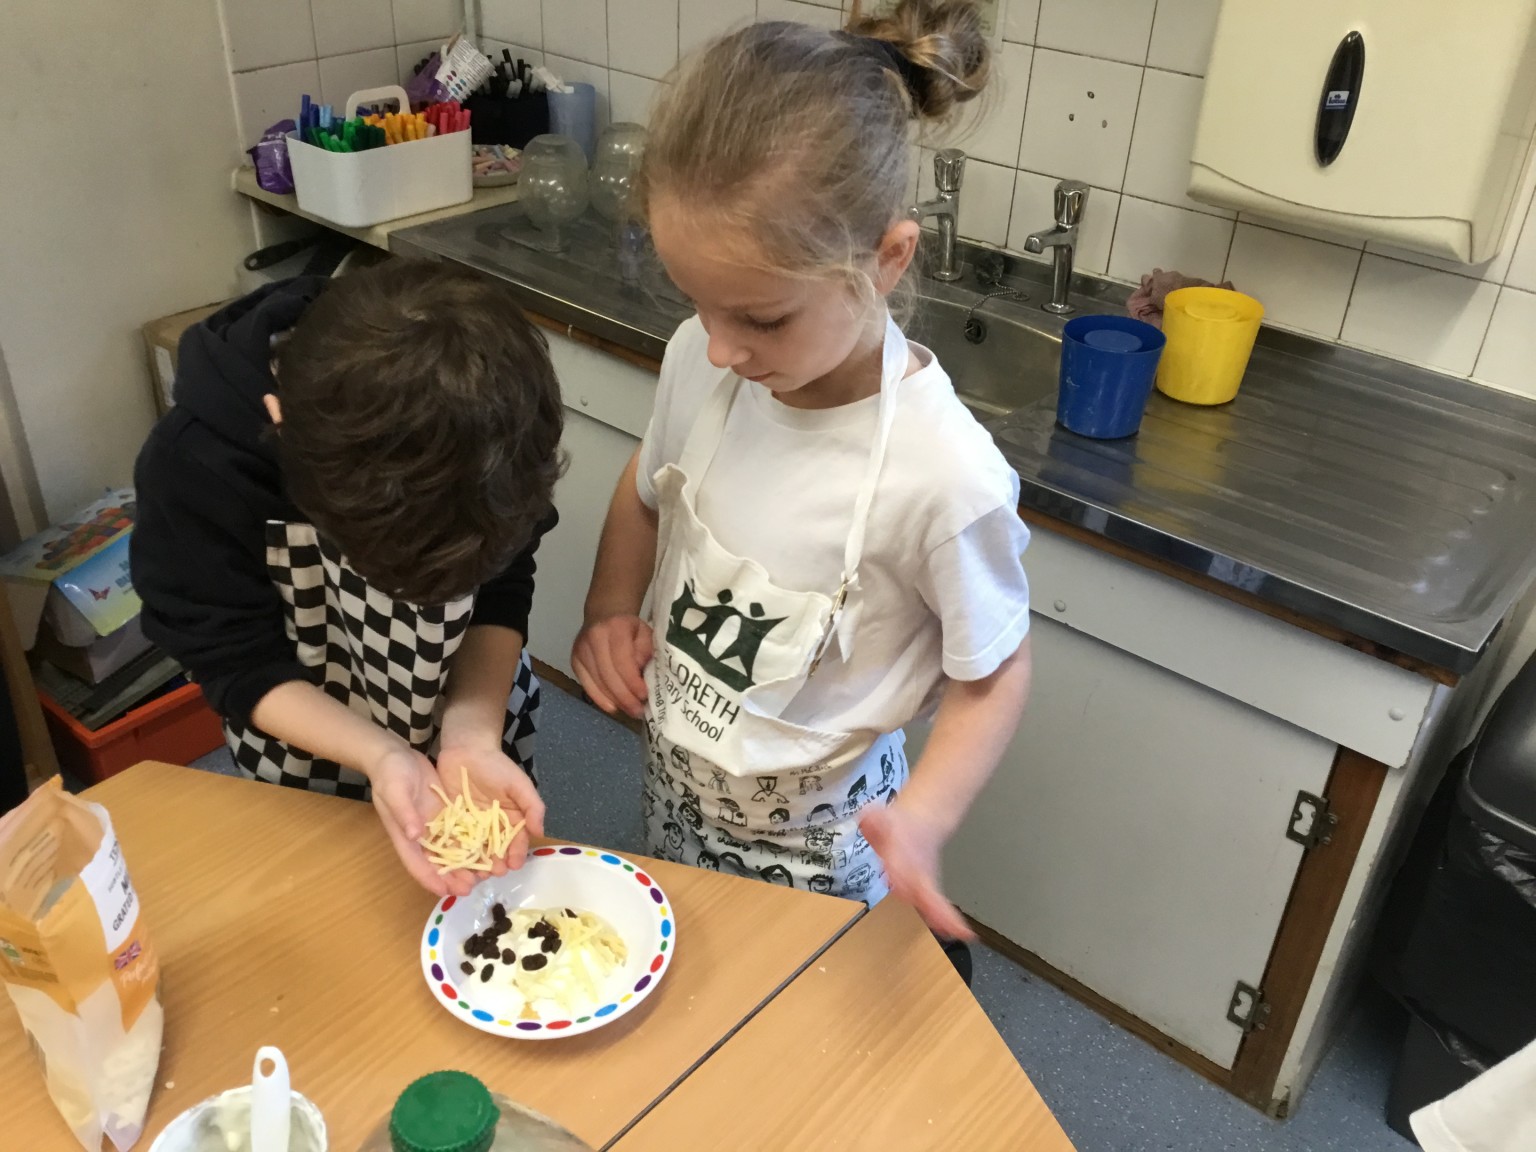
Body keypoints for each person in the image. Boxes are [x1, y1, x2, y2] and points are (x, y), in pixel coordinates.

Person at [572, 0, 1033, 963]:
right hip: (677, 782)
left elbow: (994, 676)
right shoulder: (702, 358)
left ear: (887, 259)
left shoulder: (943, 476)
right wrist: (610, 603)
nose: (724, 346)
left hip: (822, 848)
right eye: (697, 302)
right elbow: (645, 486)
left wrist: (925, 819)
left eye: (764, 319)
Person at [131, 260, 564, 896]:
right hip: (301, 748)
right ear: (280, 425)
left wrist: (471, 732)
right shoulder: (196, 467)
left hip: (466, 710)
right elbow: (232, 658)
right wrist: (382, 754)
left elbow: (504, 587)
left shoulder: (496, 433)